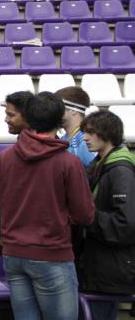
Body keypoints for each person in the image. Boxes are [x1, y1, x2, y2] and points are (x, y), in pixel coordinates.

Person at [0, 92, 95, 320]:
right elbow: (85, 214)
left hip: (14, 253)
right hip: (53, 253)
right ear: (59, 121)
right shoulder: (69, 162)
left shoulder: (5, 158)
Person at [77, 110, 135, 320]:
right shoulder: (99, 166)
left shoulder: (121, 171)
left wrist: (86, 215)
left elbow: (124, 224)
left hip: (109, 269)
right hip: (99, 266)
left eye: (90, 132)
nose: (84, 137)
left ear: (107, 134)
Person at [55, 86, 97, 167]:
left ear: (73, 110)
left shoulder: (85, 142)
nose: (54, 111)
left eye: (58, 107)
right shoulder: (63, 138)